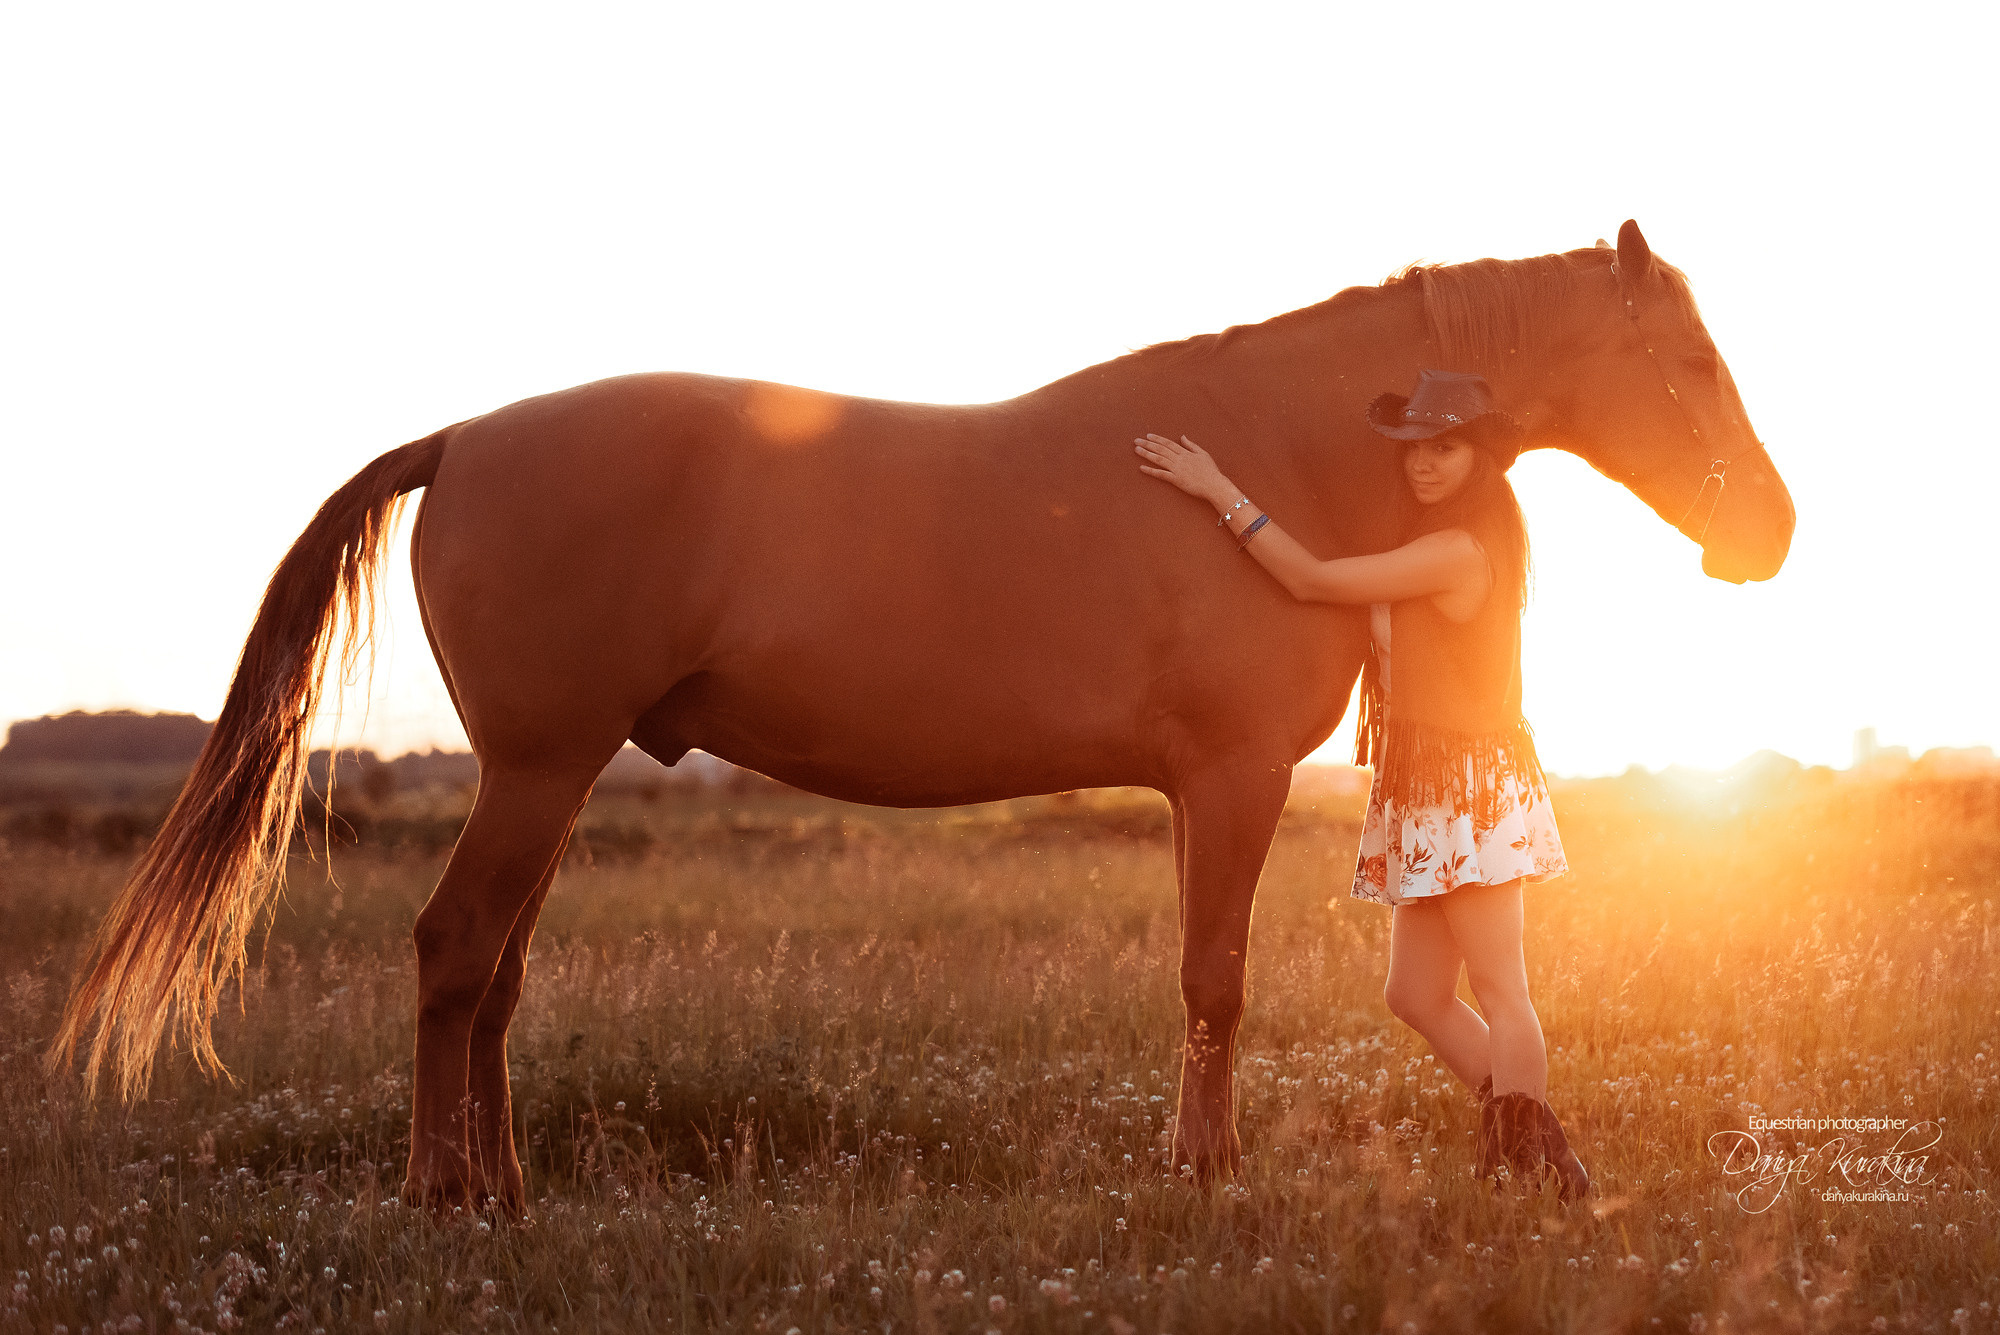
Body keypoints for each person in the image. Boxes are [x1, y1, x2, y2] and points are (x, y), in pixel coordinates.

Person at [1133, 368, 1589, 1201]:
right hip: (1422, 782)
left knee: (1501, 988)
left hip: (1469, 785)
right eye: (1414, 446)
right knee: (1413, 992)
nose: (1423, 462)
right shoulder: (1431, 539)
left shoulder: (1458, 551)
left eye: (1445, 447)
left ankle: (1524, 1167)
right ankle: (1542, 1149)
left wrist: (1217, 488)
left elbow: (1312, 579)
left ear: (1480, 458)